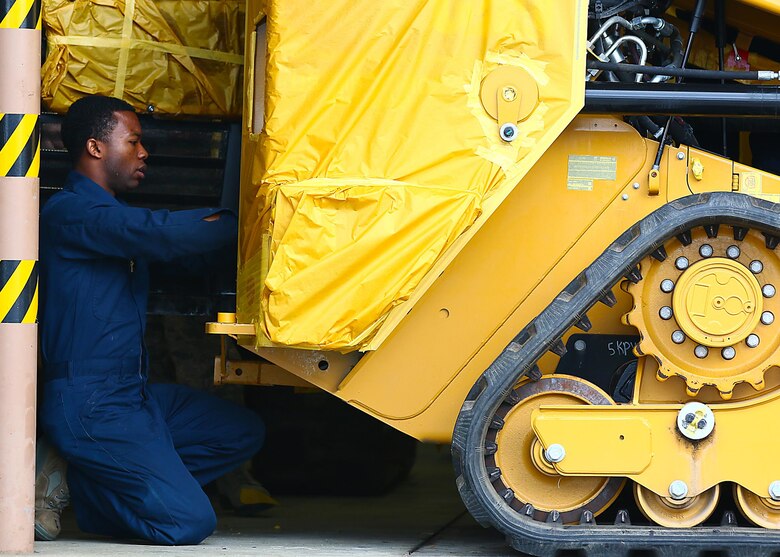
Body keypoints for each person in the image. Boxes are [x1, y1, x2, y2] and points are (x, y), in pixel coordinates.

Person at [36, 95, 269, 545]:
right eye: (134, 141)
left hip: (132, 395)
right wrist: (253, 218)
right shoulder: (70, 213)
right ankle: (94, 491)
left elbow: (171, 251)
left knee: (240, 431)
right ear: (96, 148)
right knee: (188, 523)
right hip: (90, 402)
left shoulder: (114, 222)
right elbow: (160, 233)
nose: (144, 153)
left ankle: (90, 483)